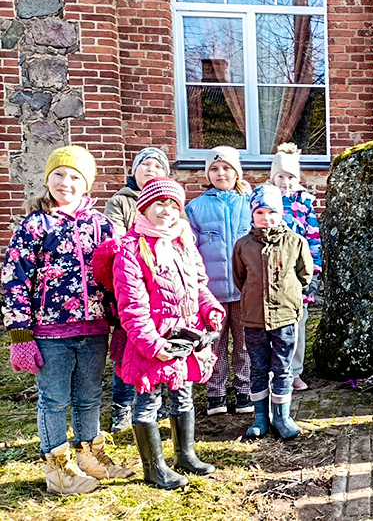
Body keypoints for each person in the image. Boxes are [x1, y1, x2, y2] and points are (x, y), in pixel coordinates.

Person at [2, 146, 132, 495]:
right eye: (59, 174)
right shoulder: (34, 225)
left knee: (90, 394)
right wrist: (20, 333)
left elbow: (116, 277)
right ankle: (58, 468)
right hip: (49, 330)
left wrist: (119, 324)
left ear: (86, 184)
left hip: (94, 329)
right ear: (48, 179)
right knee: (55, 398)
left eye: (75, 177)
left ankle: (92, 455)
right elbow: (14, 278)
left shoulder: (101, 225)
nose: (66, 182)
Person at [113, 177, 223, 489]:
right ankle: (154, 468)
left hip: (184, 339)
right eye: (160, 203)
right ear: (144, 207)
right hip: (152, 341)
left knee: (184, 395)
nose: (167, 211)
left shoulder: (183, 243)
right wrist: (152, 344)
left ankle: (184, 455)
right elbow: (132, 307)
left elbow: (199, 286)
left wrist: (210, 310)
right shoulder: (132, 250)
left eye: (174, 205)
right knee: (149, 402)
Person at [234, 185, 314, 439]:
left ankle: (282, 416)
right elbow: (240, 278)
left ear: (280, 214)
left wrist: (287, 297)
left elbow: (305, 274)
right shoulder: (243, 245)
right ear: (252, 215)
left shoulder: (295, 242)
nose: (266, 218)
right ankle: (260, 416)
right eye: (260, 212)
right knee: (257, 367)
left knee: (282, 367)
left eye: (271, 212)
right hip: (254, 318)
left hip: (285, 317)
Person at [103, 147, 169, 433]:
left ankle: (158, 400)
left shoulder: (169, 203)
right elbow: (114, 237)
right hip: (130, 282)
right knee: (127, 349)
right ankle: (123, 406)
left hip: (162, 288)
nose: (150, 169)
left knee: (162, 344)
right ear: (134, 171)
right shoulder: (120, 201)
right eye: (145, 165)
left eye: (157, 165)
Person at [185, 146, 253, 416]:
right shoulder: (196, 207)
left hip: (245, 289)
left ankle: (245, 389)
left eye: (226, 168)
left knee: (245, 342)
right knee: (214, 343)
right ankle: (216, 393)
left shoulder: (250, 202)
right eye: (214, 169)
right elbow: (189, 248)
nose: (220, 173)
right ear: (207, 174)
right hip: (212, 292)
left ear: (236, 171)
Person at [269, 143, 323, 391]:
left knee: (298, 324)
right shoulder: (265, 200)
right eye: (281, 176)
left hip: (298, 274)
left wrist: (314, 272)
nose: (285, 181)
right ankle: (275, 373)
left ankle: (295, 371)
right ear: (273, 176)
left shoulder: (304, 203)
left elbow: (314, 239)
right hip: (271, 274)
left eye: (290, 176)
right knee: (273, 326)